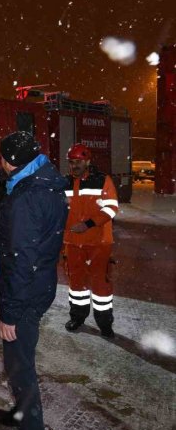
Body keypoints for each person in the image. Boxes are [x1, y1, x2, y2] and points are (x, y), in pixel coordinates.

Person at [0, 131, 67, 430]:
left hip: (25, 292)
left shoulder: (26, 197)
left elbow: (20, 258)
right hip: (39, 284)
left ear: (10, 161)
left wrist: (10, 311)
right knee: (18, 362)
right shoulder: (46, 182)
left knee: (20, 366)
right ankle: (20, 413)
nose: (1, 164)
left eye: (3, 159)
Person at [63, 143, 119, 337]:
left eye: (78, 162)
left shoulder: (103, 180)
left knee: (100, 285)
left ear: (87, 161)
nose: (74, 166)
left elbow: (111, 208)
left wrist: (88, 224)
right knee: (76, 284)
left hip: (99, 243)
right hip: (73, 243)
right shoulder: (66, 183)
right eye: (71, 162)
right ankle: (77, 317)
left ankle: (104, 323)